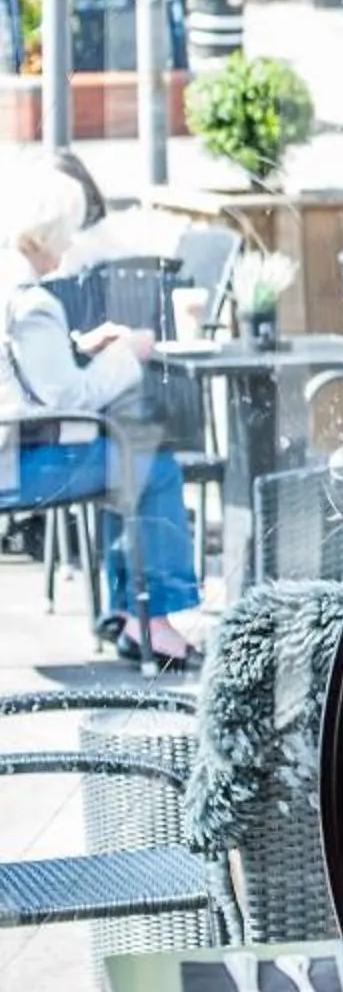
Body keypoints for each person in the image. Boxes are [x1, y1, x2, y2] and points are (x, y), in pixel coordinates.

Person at [1, 160, 201, 666]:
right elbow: (70, 399)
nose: (69, 245)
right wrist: (125, 352)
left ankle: (130, 611)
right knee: (153, 470)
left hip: (13, 450)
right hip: (20, 463)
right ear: (46, 234)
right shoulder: (32, 302)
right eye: (65, 234)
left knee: (124, 460)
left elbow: (28, 372)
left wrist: (79, 345)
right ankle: (151, 620)